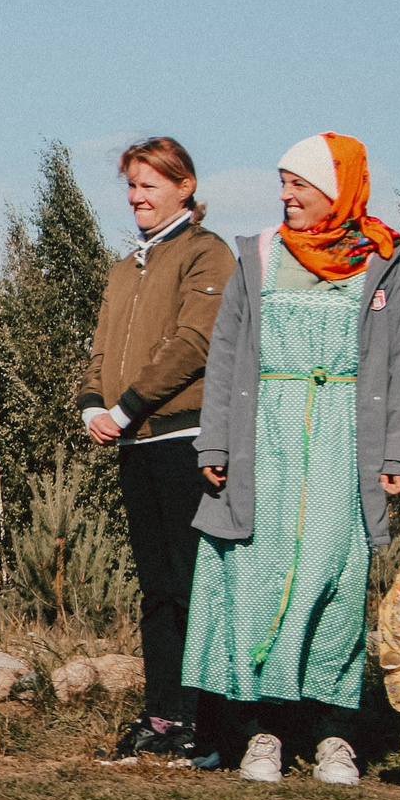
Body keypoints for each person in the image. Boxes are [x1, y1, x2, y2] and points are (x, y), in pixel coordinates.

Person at [188, 132, 400, 786]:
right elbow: (227, 351)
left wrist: (398, 451)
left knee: (338, 582)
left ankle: (334, 734)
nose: (287, 195)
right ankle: (263, 731)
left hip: (347, 437)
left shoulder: (382, 261)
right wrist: (216, 439)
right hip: (266, 435)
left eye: (301, 184)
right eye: (283, 183)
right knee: (262, 580)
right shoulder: (259, 256)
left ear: (337, 189)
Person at [76, 138, 234, 766]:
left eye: (151, 185)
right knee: (158, 588)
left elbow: (194, 342)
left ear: (185, 186)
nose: (138, 197)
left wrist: (130, 405)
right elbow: (100, 349)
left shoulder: (207, 253)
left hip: (182, 437)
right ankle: (162, 714)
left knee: (196, 582)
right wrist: (93, 400)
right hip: (133, 441)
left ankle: (204, 719)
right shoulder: (125, 267)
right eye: (132, 186)